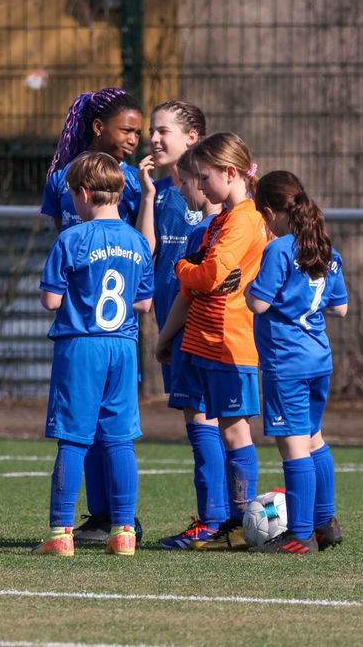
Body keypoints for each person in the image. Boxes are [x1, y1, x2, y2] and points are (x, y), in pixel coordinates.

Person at [32, 152, 154, 557]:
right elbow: (144, 303)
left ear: (82, 194)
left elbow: (51, 301)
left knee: (73, 437)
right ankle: (123, 531)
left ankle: (61, 532)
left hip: (82, 344)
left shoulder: (72, 239)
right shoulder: (137, 240)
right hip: (123, 345)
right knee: (119, 440)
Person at [137, 102, 226, 548]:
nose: (153, 138)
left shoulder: (208, 196)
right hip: (173, 319)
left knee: (204, 418)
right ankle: (221, 519)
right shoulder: (160, 192)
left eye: (163, 130)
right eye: (151, 130)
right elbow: (146, 251)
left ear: (192, 138)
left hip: (198, 324)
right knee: (206, 418)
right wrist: (149, 197)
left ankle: (214, 521)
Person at [173, 132, 267, 551]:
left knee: (234, 434)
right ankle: (228, 522)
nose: (202, 186)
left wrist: (181, 268)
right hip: (205, 339)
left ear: (230, 173)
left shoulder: (246, 219)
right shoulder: (221, 221)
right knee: (218, 430)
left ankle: (243, 522)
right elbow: (205, 276)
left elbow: (207, 275)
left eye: (204, 177)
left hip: (231, 340)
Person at [245, 171, 347, 553]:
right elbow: (340, 307)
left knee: (293, 446)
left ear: (270, 213)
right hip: (318, 358)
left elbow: (259, 303)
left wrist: (246, 288)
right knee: (314, 438)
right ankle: (326, 521)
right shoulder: (323, 247)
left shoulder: (279, 249)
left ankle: (300, 534)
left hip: (285, 361)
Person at [41, 87, 143, 232]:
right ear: (98, 127)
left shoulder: (139, 182)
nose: (133, 140)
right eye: (126, 130)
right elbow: (62, 236)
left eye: (138, 133)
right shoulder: (59, 179)